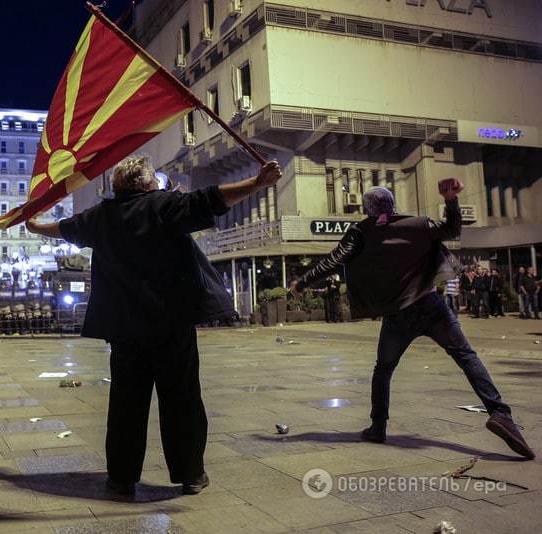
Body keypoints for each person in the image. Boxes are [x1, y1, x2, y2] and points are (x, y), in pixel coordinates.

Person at [26, 155, 283, 494]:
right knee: (182, 400)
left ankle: (121, 478)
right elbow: (212, 200)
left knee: (125, 405)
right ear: (147, 183)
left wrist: (33, 225)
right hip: (171, 323)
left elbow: (65, 229)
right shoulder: (163, 205)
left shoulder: (101, 216)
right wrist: (257, 183)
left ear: (118, 185)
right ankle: (191, 474)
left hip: (125, 330)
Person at [291, 179, 534, 460]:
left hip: (398, 314)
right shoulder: (418, 225)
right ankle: (500, 414)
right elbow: (453, 229)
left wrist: (301, 282)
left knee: (383, 369)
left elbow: (333, 260)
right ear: (393, 205)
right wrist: (450, 200)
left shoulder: (360, 232)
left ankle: (378, 426)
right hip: (432, 306)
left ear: (367, 208)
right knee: (466, 356)